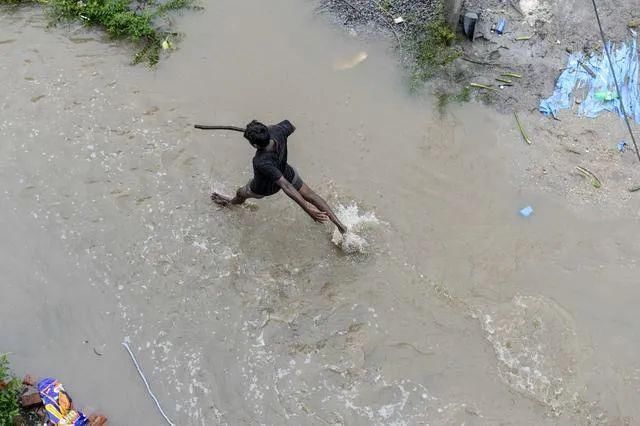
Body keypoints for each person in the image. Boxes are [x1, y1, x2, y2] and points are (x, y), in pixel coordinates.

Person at [211, 119, 347, 234]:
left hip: (265, 187)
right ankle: (340, 226)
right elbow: (291, 126)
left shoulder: (260, 161)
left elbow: (285, 186)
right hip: (286, 172)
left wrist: (307, 209)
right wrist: (270, 129)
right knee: (311, 195)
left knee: (241, 192)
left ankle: (231, 203)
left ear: (254, 145)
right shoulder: (278, 131)